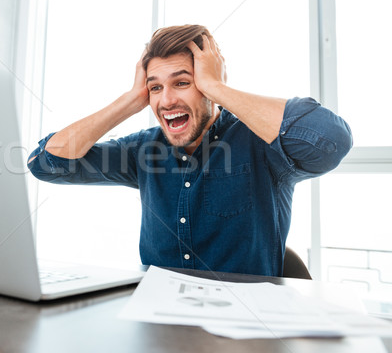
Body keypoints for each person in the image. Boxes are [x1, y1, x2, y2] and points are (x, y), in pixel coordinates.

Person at [27, 24, 352, 276]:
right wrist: (130, 100)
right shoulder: (144, 149)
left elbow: (330, 140)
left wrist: (217, 88)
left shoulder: (259, 142)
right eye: (155, 87)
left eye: (182, 82)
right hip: (159, 325)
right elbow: (47, 163)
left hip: (244, 329)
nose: (166, 100)